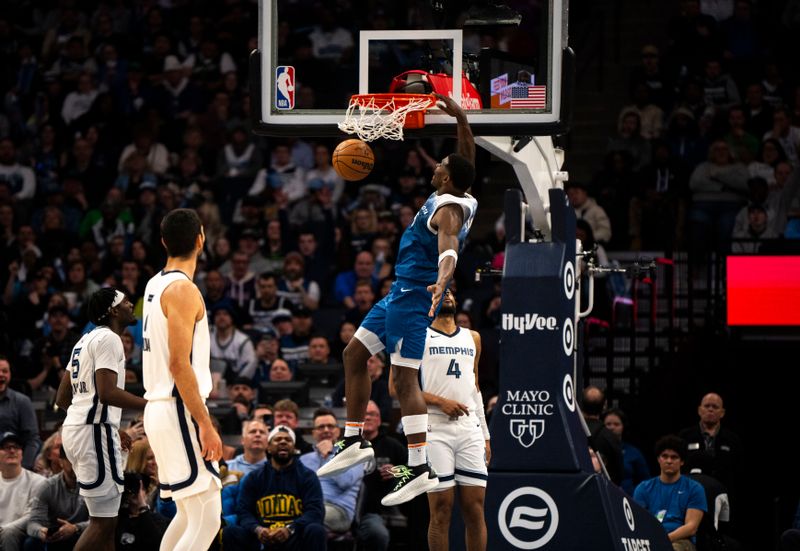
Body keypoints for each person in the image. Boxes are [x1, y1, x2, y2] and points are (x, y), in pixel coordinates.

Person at [317, 92, 477, 508]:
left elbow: (448, 248)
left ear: (444, 179)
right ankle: (353, 439)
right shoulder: (464, 191)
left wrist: (444, 280)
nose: (435, 165)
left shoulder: (448, 209)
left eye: (439, 166)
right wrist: (459, 117)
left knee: (404, 380)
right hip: (397, 294)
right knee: (354, 355)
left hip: (414, 298)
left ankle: (421, 468)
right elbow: (466, 159)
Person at [141, 208, 223, 551]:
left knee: (189, 514)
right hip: (178, 409)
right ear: (201, 240)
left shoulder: (153, 284)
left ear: (163, 242)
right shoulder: (183, 290)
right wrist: (204, 422)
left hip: (159, 408)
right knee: (207, 517)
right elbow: (179, 363)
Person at [55, 287, 148, 551]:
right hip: (92, 433)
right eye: (127, 302)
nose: (132, 306)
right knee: (103, 524)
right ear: (113, 311)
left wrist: (110, 425)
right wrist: (151, 405)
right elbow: (107, 392)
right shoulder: (110, 339)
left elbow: (63, 397)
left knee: (107, 519)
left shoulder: (84, 340)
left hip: (80, 430)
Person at [407, 289, 489, 551]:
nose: (449, 295)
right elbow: (397, 388)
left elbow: (475, 389)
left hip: (469, 429)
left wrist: (486, 434)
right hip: (433, 427)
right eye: (442, 292)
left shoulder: (473, 337)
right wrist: (440, 401)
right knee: (441, 510)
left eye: (451, 291)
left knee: (475, 509)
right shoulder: (416, 336)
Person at [223, 425, 326, 550]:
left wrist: (290, 529)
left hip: (294, 535)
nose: (283, 442)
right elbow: (243, 511)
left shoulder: (308, 476)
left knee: (316, 530)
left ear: (294, 448)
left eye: (288, 440)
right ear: (269, 448)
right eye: (277, 440)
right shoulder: (254, 477)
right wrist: (257, 529)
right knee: (231, 532)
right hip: (262, 536)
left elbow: (315, 511)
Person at [678, 393, 743, 525]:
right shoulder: (684, 436)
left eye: (715, 406)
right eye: (707, 406)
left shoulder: (733, 440)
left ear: (722, 412)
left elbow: (739, 472)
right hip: (690, 499)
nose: (710, 409)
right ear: (699, 410)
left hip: (723, 500)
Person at [633, 435, 707, 551]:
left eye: (674, 457)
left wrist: (665, 539)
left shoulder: (694, 488)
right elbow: (638, 523)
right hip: (649, 540)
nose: (669, 461)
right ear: (658, 459)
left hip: (681, 540)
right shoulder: (643, 488)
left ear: (682, 461)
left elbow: (691, 527)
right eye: (664, 456)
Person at [300, 408, 364, 534]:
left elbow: (344, 482)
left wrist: (329, 455)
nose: (326, 430)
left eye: (330, 426)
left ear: (338, 431)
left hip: (338, 511)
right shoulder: (304, 460)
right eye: (321, 427)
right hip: (308, 508)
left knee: (306, 519)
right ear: (313, 433)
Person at [25, 446, 89, 551]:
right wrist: (42, 531)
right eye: (72, 460)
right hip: (55, 538)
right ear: (61, 462)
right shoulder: (47, 486)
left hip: (83, 535)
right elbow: (33, 523)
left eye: (81, 460)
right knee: (31, 543)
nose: (77, 464)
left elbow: (99, 522)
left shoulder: (93, 485)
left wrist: (75, 528)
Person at [0, 431, 46, 551]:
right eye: (6, 447)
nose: (12, 451)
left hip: (20, 532)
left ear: (22, 453)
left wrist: (5, 528)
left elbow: (33, 515)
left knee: (8, 533)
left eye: (16, 447)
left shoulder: (38, 481)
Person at [0, 356, 42, 470]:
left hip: (15, 465)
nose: (1, 374)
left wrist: (23, 470)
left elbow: (32, 439)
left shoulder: (22, 401)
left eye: (5, 371)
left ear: (10, 375)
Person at [601, 408, 650, 496]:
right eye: (608, 424)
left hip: (629, 501)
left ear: (623, 426)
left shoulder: (634, 452)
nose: (612, 427)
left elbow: (645, 481)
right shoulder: (596, 451)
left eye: (616, 424)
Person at [582, 386, 624, 486]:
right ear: (604, 406)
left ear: (581, 405)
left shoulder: (571, 433)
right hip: (604, 492)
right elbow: (619, 474)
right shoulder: (610, 437)